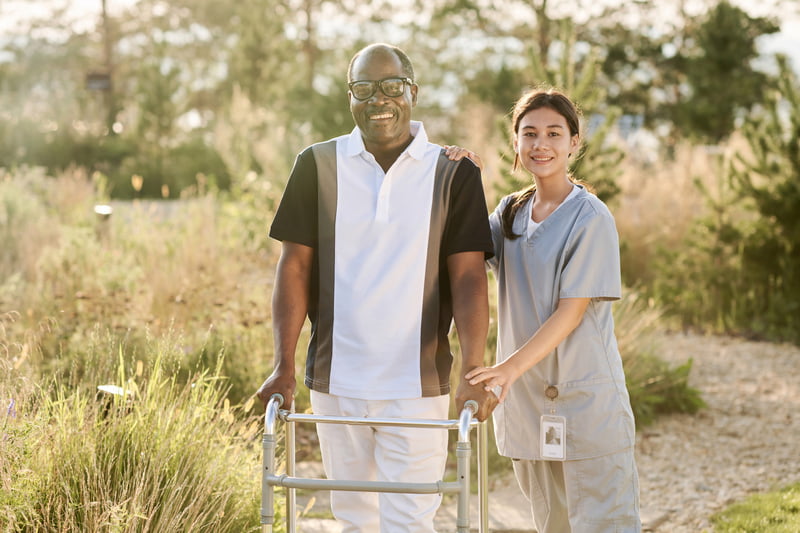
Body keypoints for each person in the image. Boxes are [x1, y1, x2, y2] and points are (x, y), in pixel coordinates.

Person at [256, 42, 498, 533]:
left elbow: (470, 275)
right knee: (353, 519)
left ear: (412, 91)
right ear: (350, 96)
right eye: (363, 88)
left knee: (410, 520)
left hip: (417, 387)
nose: (378, 99)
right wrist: (283, 365)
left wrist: (473, 364)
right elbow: (294, 269)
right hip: (335, 383)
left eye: (391, 86)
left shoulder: (454, 172)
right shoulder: (316, 165)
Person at [452, 87, 642, 532]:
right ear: (515, 142)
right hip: (528, 410)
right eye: (530, 133)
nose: (541, 145)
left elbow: (570, 313)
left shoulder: (591, 218)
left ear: (574, 142)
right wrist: (457, 181)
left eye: (554, 133)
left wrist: (504, 371)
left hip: (586, 406)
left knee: (605, 525)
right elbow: (461, 255)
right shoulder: (510, 213)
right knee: (551, 525)